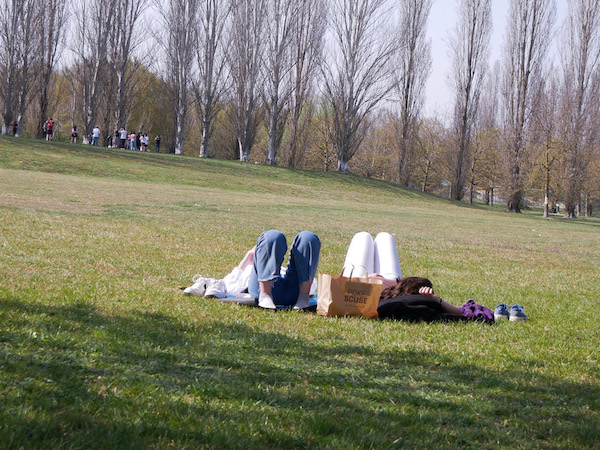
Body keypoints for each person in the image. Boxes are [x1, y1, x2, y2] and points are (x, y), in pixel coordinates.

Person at [184, 230, 321, 311]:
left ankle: (302, 299)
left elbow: (229, 283)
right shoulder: (250, 269)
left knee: (308, 237)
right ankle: (265, 294)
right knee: (272, 236)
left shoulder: (250, 269)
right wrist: (246, 261)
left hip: (297, 291)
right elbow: (228, 282)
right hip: (263, 289)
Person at [343, 232, 463, 315]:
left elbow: (460, 313)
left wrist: (365, 279)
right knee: (384, 237)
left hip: (356, 285)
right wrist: (437, 300)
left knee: (363, 236)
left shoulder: (408, 304)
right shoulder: (423, 298)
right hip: (394, 284)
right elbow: (460, 313)